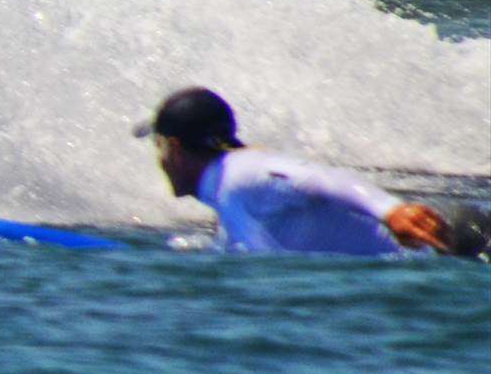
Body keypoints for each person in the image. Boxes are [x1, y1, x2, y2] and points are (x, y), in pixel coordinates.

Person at [137, 85, 487, 258]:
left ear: (174, 148)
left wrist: (392, 211)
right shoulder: (227, 192)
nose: (158, 158)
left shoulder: (240, 173)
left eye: (158, 145)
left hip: (461, 239)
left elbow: (322, 178)